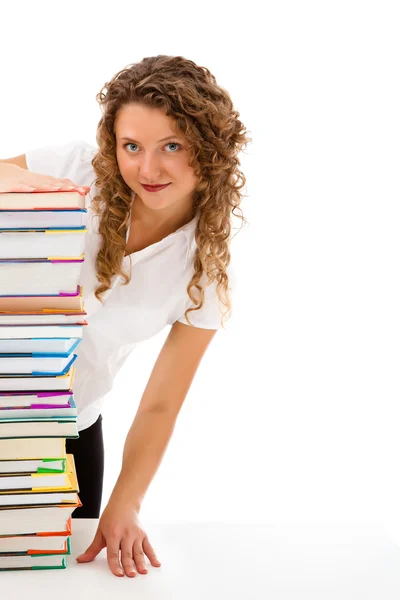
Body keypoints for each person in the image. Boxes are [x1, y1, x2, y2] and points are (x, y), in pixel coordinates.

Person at [0, 55, 251, 578]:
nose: (148, 169)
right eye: (131, 146)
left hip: (70, 434)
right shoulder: (72, 168)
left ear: (211, 150)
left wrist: (126, 503)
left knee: (59, 581)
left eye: (172, 147)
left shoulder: (202, 270)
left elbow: (160, 405)